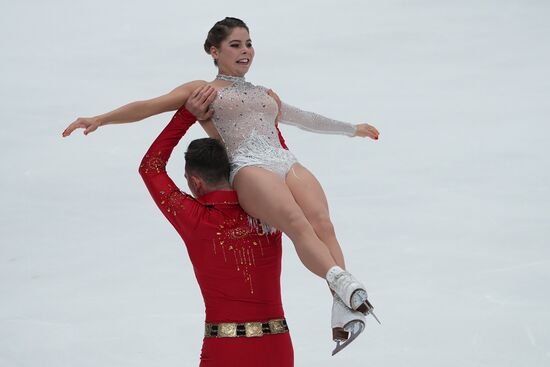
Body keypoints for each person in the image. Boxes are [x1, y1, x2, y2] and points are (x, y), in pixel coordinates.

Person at [62, 17, 380, 353]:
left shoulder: (264, 93)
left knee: (323, 224)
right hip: (248, 166)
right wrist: (101, 118)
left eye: (248, 43)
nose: (245, 50)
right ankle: (340, 281)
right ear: (215, 51)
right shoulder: (202, 90)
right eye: (235, 44)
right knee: (297, 223)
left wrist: (351, 128)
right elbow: (148, 106)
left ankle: (342, 307)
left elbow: (304, 117)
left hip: (283, 161)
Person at [138, 98, 292, 366]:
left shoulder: (196, 219)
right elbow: (281, 164)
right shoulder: (268, 211)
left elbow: (151, 167)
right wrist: (271, 126)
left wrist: (186, 115)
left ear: (196, 183)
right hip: (276, 345)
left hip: (225, 349)